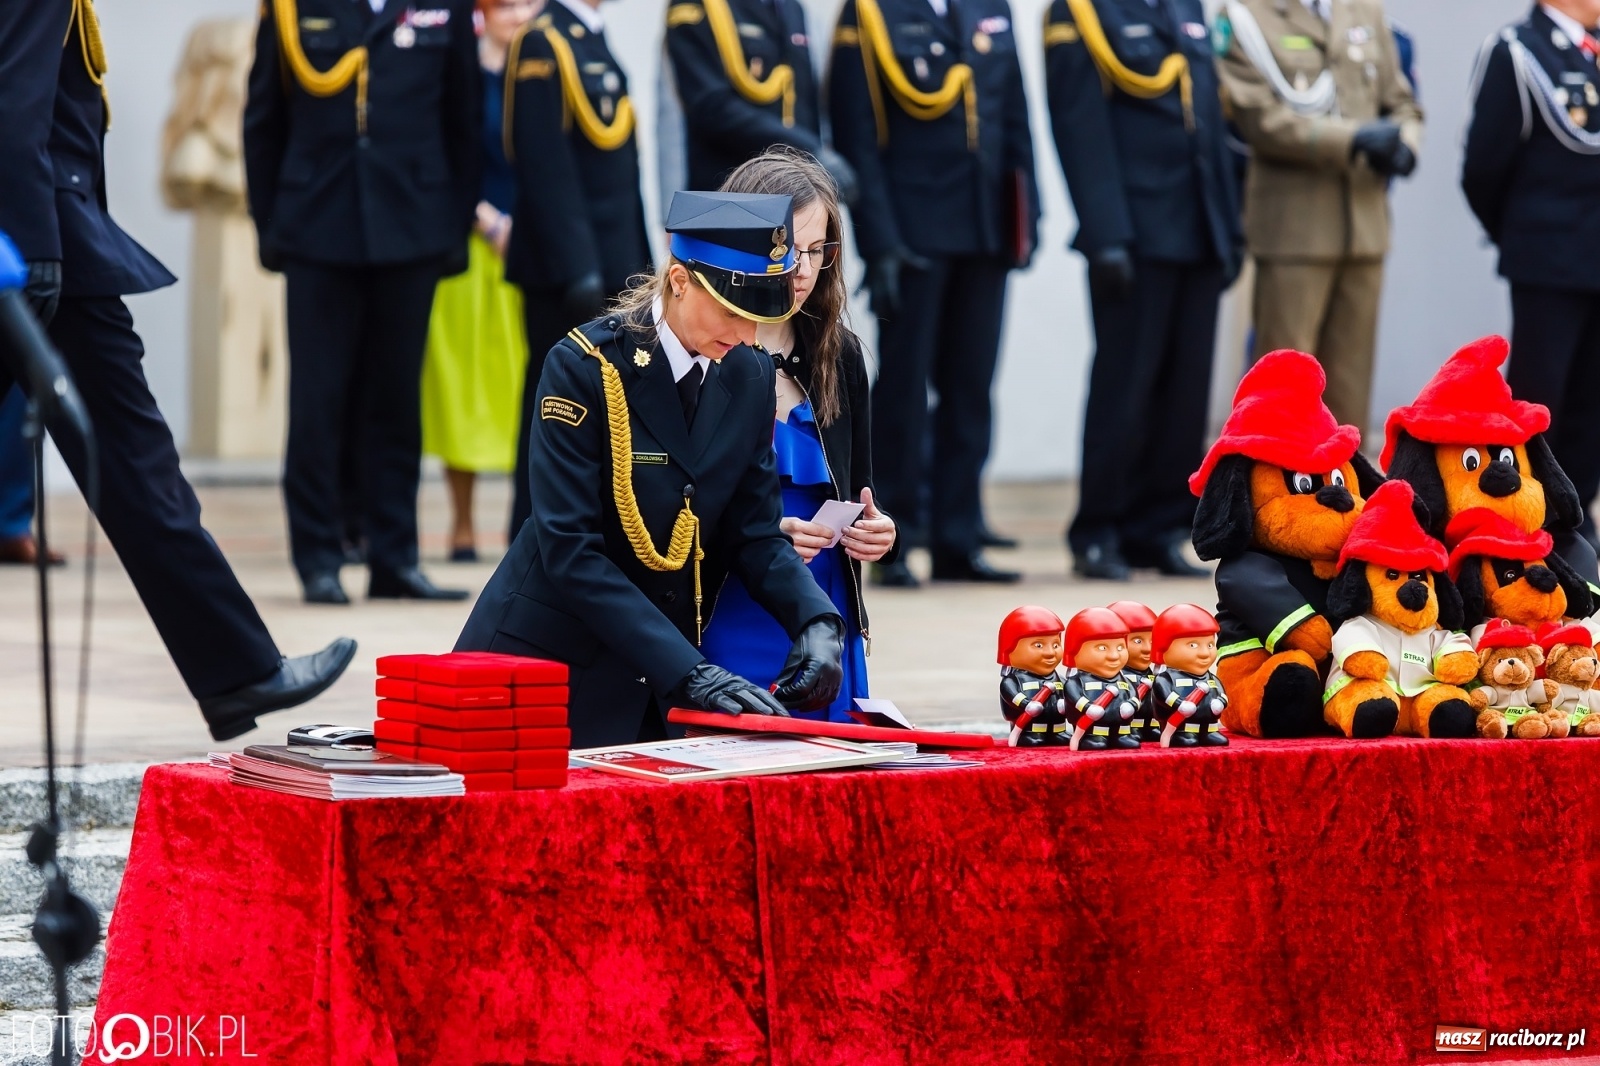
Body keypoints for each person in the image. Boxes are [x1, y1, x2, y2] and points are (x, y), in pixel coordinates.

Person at [0, 0, 354, 742]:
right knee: (134, 461)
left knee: (135, 463)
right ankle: (237, 670)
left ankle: (236, 670)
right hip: (40, 237)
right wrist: (37, 252)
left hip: (45, 230)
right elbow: (15, 99)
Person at [456, 190, 846, 746]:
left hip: (655, 689)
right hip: (547, 672)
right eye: (735, 311)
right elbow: (570, 548)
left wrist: (816, 621)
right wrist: (689, 671)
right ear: (680, 279)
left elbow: (755, 533)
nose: (746, 334)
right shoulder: (585, 366)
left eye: (762, 314)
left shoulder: (749, 375)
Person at [244, 0, 479, 604]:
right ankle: (319, 556)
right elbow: (264, 120)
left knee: (396, 403)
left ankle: (394, 558)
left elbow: (464, 117)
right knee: (319, 401)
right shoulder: (294, 8)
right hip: (319, 226)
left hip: (412, 227)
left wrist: (450, 228)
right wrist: (273, 227)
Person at [829, 0, 1040, 587]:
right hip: (915, 234)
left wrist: (1027, 215)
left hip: (985, 229)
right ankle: (892, 537)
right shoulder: (870, 13)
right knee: (901, 392)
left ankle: (958, 536)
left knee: (971, 390)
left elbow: (1013, 116)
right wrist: (881, 242)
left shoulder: (988, 9)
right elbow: (857, 134)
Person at [1044, 0, 1243, 581]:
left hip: (1199, 229)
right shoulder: (1081, 11)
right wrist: (1105, 231)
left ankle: (1156, 526)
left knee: (1184, 397)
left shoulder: (1184, 7)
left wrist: (1227, 228)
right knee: (1123, 391)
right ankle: (1099, 529)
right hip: (1133, 233)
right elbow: (1079, 125)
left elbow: (1208, 120)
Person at [698, 149, 899, 723]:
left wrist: (877, 532)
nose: (805, 269)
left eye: (819, 250)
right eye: (789, 249)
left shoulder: (842, 355)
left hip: (824, 600)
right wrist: (761, 535)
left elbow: (858, 489)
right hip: (725, 597)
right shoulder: (705, 345)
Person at [1216, 0, 1422, 434]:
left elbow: (1401, 101)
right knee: (1283, 395)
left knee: (1349, 392)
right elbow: (1261, 119)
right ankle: (1275, 500)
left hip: (1365, 227)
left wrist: (1407, 142)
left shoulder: (1362, 12)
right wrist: (1356, 139)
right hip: (1295, 230)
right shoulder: (1246, 17)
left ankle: (1344, 498)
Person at [502, 0, 653, 541]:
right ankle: (532, 532)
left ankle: (592, 530)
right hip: (563, 269)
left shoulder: (594, 38)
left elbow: (624, 174)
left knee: (609, 407)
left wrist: (641, 270)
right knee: (553, 404)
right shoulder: (542, 40)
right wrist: (578, 266)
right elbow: (543, 162)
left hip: (611, 264)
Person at [1462, 0, 1600, 548]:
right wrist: (1522, 235)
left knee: (1593, 399)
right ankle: (1526, 515)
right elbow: (1483, 168)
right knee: (1543, 399)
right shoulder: (1517, 51)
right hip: (1550, 257)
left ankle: (1575, 515)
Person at [419, 0, 539, 564]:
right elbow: (442, 149)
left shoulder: (541, 68)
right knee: (459, 387)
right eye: (506, 5)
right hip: (471, 249)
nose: (518, 16)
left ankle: (519, 519)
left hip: (529, 246)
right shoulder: (461, 66)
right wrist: (484, 216)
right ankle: (461, 520)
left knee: (519, 383)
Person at [663, 0, 857, 197]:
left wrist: (819, 170)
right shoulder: (696, 6)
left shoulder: (791, 7)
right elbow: (711, 107)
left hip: (791, 193)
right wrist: (808, 148)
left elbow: (802, 103)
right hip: (730, 192)